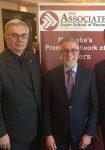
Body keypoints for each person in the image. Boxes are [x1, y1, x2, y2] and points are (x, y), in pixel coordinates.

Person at [43, 38, 98, 150]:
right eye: (65, 50)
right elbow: (46, 108)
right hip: (57, 133)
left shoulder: (90, 75)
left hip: (82, 132)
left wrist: (89, 133)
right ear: (60, 53)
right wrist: (48, 134)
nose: (69, 54)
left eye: (74, 50)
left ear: (79, 52)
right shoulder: (50, 76)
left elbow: (95, 107)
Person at [0, 19, 41, 150]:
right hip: (13, 135)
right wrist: (2, 133)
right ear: (5, 36)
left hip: (37, 130)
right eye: (15, 35)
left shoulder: (34, 59)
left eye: (24, 36)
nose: (20, 39)